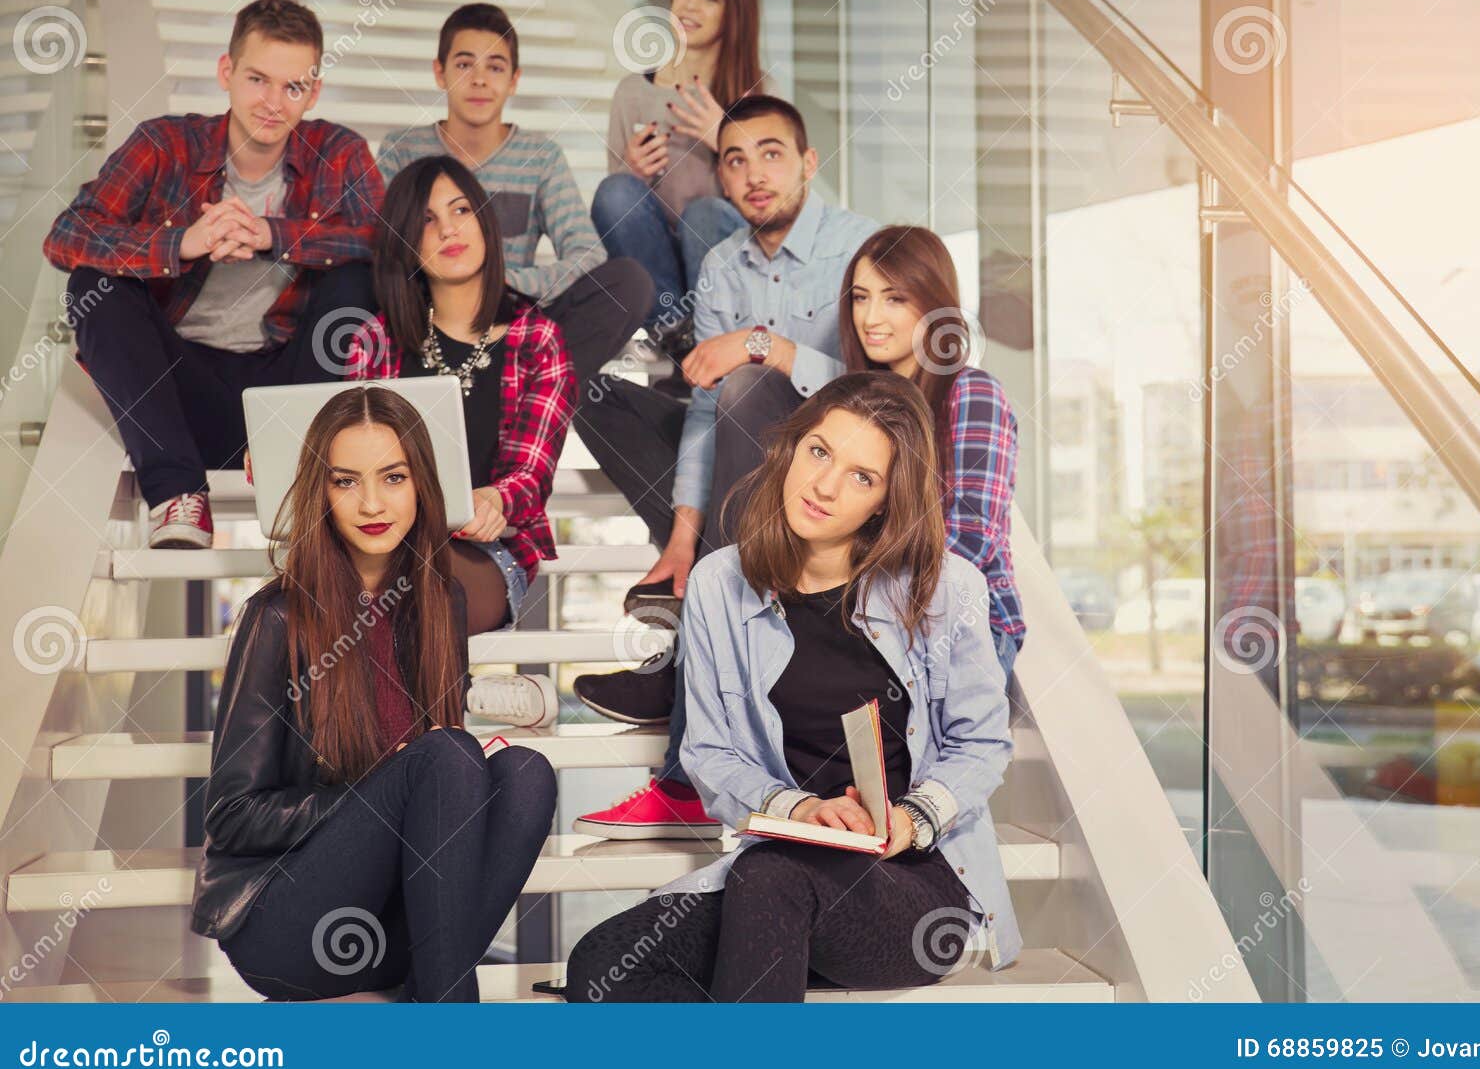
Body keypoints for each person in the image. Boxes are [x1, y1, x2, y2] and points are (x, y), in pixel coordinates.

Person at [562, 373, 1019, 1002]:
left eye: (863, 476)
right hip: (777, 878)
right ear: (792, 447)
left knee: (772, 877)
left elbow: (983, 745)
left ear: (886, 501)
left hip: (914, 886)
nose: (825, 486)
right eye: (820, 452)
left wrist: (909, 821)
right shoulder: (720, 583)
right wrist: (800, 810)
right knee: (602, 964)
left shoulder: (946, 588)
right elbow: (708, 753)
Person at [571, 95, 877, 840]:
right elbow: (705, 413)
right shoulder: (719, 264)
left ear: (807, 163)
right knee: (589, 387)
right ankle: (702, 578)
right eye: (734, 160)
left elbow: (878, 389)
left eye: (771, 153)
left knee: (742, 381)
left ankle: (680, 762)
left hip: (829, 477)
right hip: (743, 472)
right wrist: (681, 539)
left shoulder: (859, 246)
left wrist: (765, 345)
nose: (752, 174)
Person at [190, 386, 558, 1002]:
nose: (371, 503)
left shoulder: (441, 603)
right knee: (446, 756)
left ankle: (434, 990)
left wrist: (410, 793)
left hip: (388, 930)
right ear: (321, 493)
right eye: (345, 481)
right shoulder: (277, 617)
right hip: (286, 923)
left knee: (526, 772)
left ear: (422, 486)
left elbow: (443, 796)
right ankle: (450, 1018)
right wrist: (381, 797)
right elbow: (231, 817)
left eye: (393, 477)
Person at [43, 0, 383, 549]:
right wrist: (184, 242)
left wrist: (275, 236)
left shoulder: (338, 151)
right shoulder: (164, 143)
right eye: (257, 79)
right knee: (93, 284)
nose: (273, 103)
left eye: (292, 87)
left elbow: (387, 244)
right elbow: (66, 236)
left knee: (362, 278)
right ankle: (177, 493)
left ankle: (299, 474)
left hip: (288, 394)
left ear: (313, 92)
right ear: (227, 73)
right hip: (178, 393)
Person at [346, 155, 576, 640]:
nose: (449, 230)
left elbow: (531, 474)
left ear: (485, 224)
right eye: (427, 220)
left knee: (418, 591)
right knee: (281, 606)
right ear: (406, 243)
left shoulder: (538, 339)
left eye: (461, 211)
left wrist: (496, 499)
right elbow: (352, 462)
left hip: (488, 555)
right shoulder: (374, 341)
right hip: (384, 544)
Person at [376, 4, 652, 404]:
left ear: (514, 80)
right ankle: (517, 390)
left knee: (629, 282)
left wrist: (508, 283)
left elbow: (586, 253)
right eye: (465, 65)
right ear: (440, 72)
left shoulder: (540, 156)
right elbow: (386, 249)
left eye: (496, 68)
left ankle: (528, 389)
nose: (480, 81)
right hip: (431, 318)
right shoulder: (403, 150)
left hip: (513, 321)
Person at [840, 226, 1025, 679]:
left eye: (894, 299)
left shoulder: (971, 391)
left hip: (965, 626)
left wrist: (859, 584)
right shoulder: (857, 408)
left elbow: (969, 538)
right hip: (874, 620)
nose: (871, 317)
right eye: (861, 298)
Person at [589, 0, 760, 354]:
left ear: (734, 10)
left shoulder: (756, 92)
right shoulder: (632, 92)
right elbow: (615, 213)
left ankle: (708, 328)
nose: (691, 6)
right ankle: (679, 332)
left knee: (704, 213)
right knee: (614, 191)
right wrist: (631, 170)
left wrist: (725, 139)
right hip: (656, 271)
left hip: (722, 258)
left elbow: (772, 200)